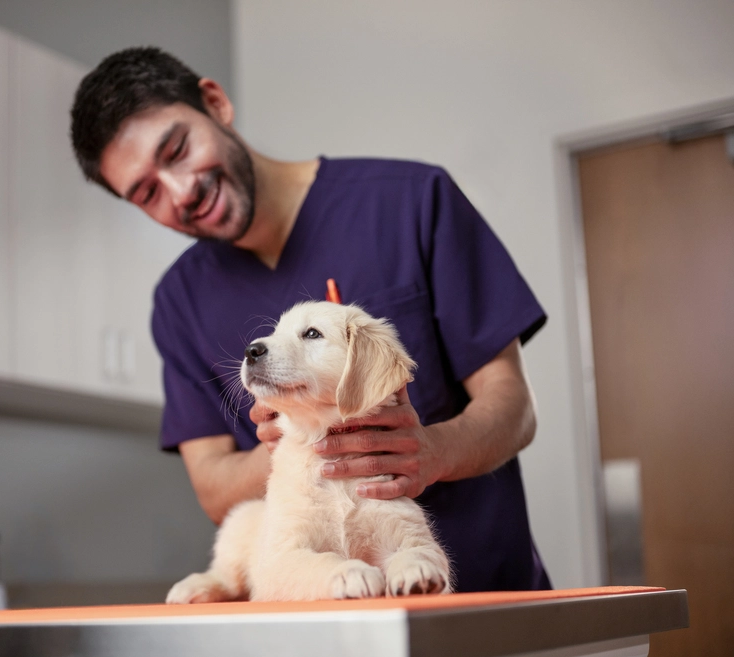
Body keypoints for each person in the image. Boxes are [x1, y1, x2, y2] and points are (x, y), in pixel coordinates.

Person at [70, 47, 551, 592]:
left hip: (490, 601)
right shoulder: (180, 299)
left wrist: (432, 451)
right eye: (147, 193)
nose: (182, 192)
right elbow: (213, 486)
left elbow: (515, 406)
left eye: (178, 150)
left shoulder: (411, 202)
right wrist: (302, 433)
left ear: (215, 102)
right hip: (321, 625)